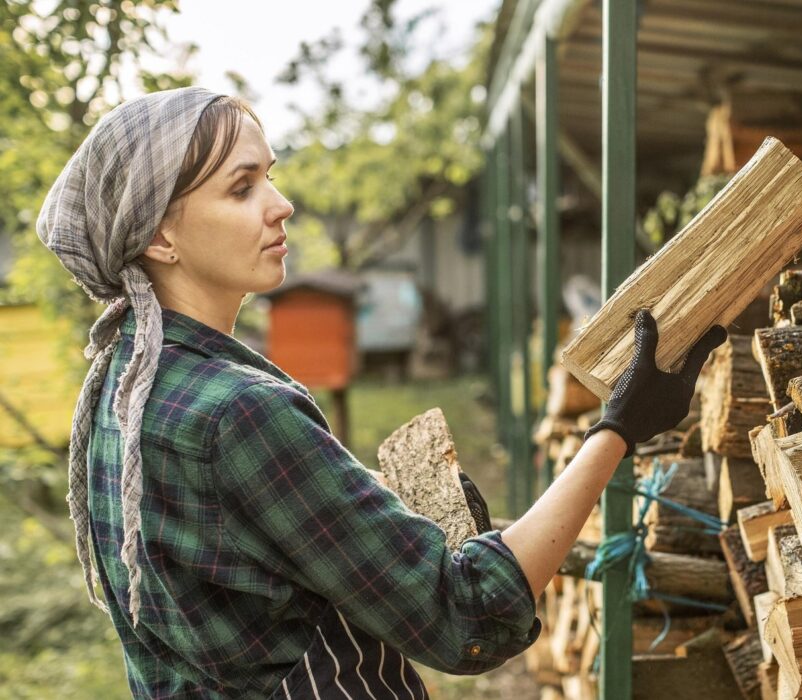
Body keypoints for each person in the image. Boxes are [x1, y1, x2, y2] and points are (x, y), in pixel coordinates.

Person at [35, 86, 726, 698]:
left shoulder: (116, 385)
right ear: (159, 234)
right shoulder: (239, 413)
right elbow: (468, 618)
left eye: (269, 177)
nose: (283, 205)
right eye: (242, 188)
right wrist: (619, 428)